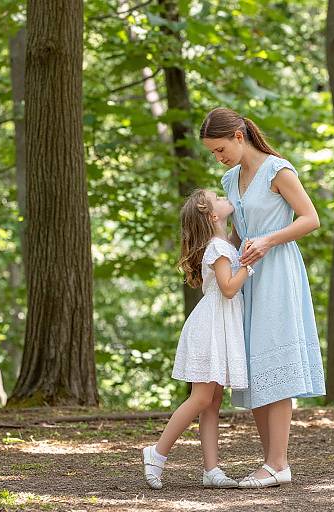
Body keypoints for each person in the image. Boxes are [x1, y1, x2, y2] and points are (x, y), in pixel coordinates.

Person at [200, 107, 326, 488]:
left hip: (278, 270)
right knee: (253, 362)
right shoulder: (229, 178)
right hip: (246, 274)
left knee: (276, 355)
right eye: (212, 153)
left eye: (220, 149)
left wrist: (269, 240)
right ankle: (272, 462)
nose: (218, 158)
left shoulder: (278, 170)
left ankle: (278, 462)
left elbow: (310, 218)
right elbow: (237, 232)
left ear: (239, 136)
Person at [142, 189, 254, 490]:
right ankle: (157, 452)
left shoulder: (222, 243)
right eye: (217, 197)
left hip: (220, 324)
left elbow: (233, 247)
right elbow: (229, 288)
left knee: (213, 402)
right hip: (211, 326)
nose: (223, 195)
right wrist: (248, 263)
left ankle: (211, 469)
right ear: (212, 215)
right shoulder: (217, 247)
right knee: (202, 397)